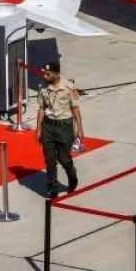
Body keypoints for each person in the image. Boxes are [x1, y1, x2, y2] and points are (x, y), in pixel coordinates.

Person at [36, 60, 83, 198]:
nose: (45, 76)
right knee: (49, 160)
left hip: (64, 127)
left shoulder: (69, 87)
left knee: (64, 159)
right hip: (48, 127)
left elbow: (75, 109)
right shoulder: (43, 88)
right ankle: (53, 188)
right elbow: (41, 109)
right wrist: (38, 129)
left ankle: (72, 177)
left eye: (48, 74)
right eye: (44, 74)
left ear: (56, 73)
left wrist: (79, 129)